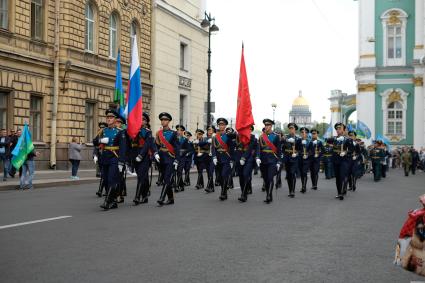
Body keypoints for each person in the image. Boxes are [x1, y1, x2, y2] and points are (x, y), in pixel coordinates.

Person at [98, 109, 128, 210]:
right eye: (108, 118)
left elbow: (123, 148)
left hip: (115, 157)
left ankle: (107, 202)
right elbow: (95, 142)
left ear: (115, 120)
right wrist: (101, 140)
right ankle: (113, 200)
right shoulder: (103, 131)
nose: (109, 119)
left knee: (112, 179)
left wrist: (121, 162)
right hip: (105, 157)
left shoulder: (120, 132)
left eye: (111, 118)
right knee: (105, 180)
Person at [155, 112, 180, 206]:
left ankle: (162, 198)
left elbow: (177, 147)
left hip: (170, 158)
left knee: (166, 178)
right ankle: (171, 198)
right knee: (166, 179)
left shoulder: (173, 133)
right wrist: (155, 154)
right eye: (162, 120)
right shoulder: (158, 133)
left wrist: (177, 160)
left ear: (169, 121)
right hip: (161, 158)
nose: (163, 121)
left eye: (165, 120)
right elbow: (156, 145)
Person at [133, 112, 156, 205]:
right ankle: (145, 195)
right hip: (135, 155)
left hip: (144, 156)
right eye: (140, 119)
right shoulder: (134, 130)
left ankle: (137, 197)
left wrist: (141, 155)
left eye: (143, 120)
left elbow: (147, 145)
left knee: (141, 176)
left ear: (146, 122)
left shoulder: (147, 132)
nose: (141, 121)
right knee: (143, 177)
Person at [257, 119, 281, 203]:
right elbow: (259, 149)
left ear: (271, 126)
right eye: (265, 125)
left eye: (268, 125)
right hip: (263, 160)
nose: (266, 127)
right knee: (266, 179)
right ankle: (269, 194)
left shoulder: (276, 136)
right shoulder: (261, 137)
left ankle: (268, 195)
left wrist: (278, 161)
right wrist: (257, 157)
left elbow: (279, 150)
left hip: (272, 159)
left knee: (270, 178)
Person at [211, 118, 235, 201]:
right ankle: (224, 189)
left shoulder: (228, 135)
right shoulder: (215, 136)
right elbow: (213, 147)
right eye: (220, 125)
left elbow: (231, 148)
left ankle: (223, 193)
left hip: (226, 157)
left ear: (225, 126)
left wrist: (232, 159)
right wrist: (214, 156)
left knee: (224, 175)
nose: (221, 126)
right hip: (218, 158)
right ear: (218, 125)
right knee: (220, 176)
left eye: (223, 125)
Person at [332, 122, 354, 200]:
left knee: (342, 175)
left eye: (340, 128)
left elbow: (351, 150)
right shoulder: (334, 139)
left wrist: (345, 152)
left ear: (344, 130)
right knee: (337, 177)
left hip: (344, 160)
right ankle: (339, 193)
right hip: (336, 160)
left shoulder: (348, 139)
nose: (338, 130)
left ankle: (342, 192)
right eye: (337, 129)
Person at [237, 125, 257, 202]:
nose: (247, 131)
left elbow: (250, 149)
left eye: (249, 129)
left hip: (249, 158)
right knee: (241, 176)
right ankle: (243, 191)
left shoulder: (253, 138)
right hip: (239, 158)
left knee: (245, 174)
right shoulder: (238, 136)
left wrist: (244, 157)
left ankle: (244, 195)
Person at [282, 123, 301, 198]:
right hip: (287, 158)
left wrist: (296, 153)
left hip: (294, 158)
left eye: (292, 128)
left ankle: (292, 191)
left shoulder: (298, 139)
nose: (291, 130)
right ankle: (290, 190)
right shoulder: (285, 138)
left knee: (293, 173)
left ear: (295, 129)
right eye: (290, 128)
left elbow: (300, 150)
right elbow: (282, 148)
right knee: (289, 175)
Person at [94, 122, 107, 197]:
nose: (101, 129)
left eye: (102, 128)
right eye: (100, 128)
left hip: (107, 156)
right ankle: (102, 190)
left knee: (105, 174)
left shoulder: (107, 135)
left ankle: (102, 190)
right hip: (100, 157)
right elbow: (96, 146)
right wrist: (95, 155)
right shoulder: (98, 136)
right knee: (103, 174)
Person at [299, 127, 312, 193]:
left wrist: (307, 155)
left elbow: (311, 151)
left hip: (307, 159)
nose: (304, 134)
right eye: (302, 132)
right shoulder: (298, 140)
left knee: (304, 172)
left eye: (305, 132)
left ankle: (304, 186)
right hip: (300, 158)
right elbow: (296, 149)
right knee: (301, 173)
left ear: (307, 133)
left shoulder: (310, 141)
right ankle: (303, 185)